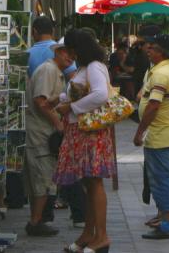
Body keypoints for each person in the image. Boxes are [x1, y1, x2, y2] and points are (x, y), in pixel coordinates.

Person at [53, 29, 115, 253]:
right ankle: (90, 234)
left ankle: (102, 236)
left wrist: (71, 107)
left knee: (94, 182)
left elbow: (100, 95)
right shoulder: (84, 68)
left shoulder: (94, 67)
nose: (68, 55)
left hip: (90, 133)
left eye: (70, 50)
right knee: (88, 184)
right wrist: (64, 100)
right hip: (81, 132)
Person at [133, 33, 169, 240]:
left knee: (162, 180)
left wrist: (140, 131)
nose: (148, 50)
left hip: (161, 134)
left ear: (161, 52)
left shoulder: (161, 74)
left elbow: (154, 104)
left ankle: (167, 224)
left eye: (152, 48)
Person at [23, 40, 72, 237]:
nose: (70, 59)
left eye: (73, 56)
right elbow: (40, 101)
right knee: (42, 179)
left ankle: (39, 219)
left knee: (45, 178)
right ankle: (35, 222)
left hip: (45, 132)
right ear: (58, 52)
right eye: (67, 54)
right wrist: (57, 123)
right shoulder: (48, 70)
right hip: (40, 132)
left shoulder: (56, 72)